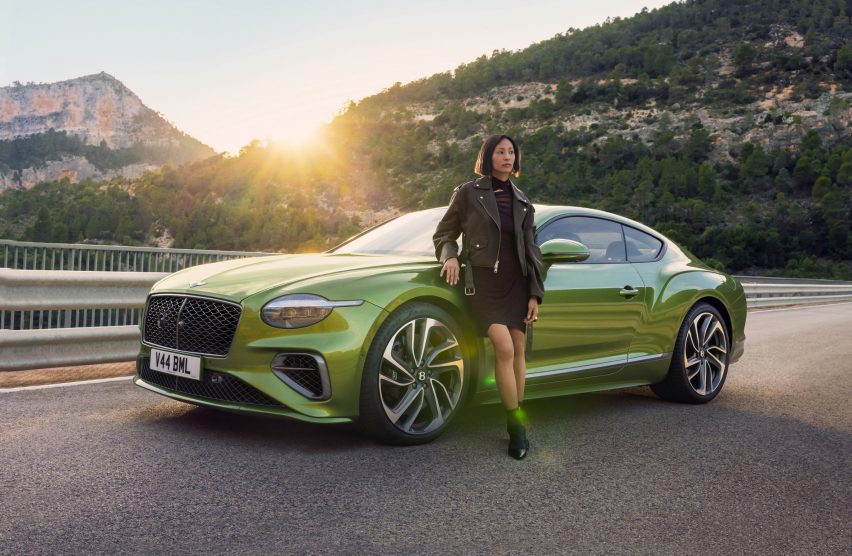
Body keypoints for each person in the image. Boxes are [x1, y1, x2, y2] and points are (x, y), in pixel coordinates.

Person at [432, 134, 545, 460]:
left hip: (517, 283)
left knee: (520, 348)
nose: (507, 157)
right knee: (504, 346)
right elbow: (444, 233)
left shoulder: (524, 201)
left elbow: (533, 252)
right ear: (489, 156)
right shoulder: (469, 192)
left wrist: (535, 294)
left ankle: (517, 420)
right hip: (483, 281)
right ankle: (515, 426)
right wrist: (450, 256)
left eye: (512, 152)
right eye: (500, 152)